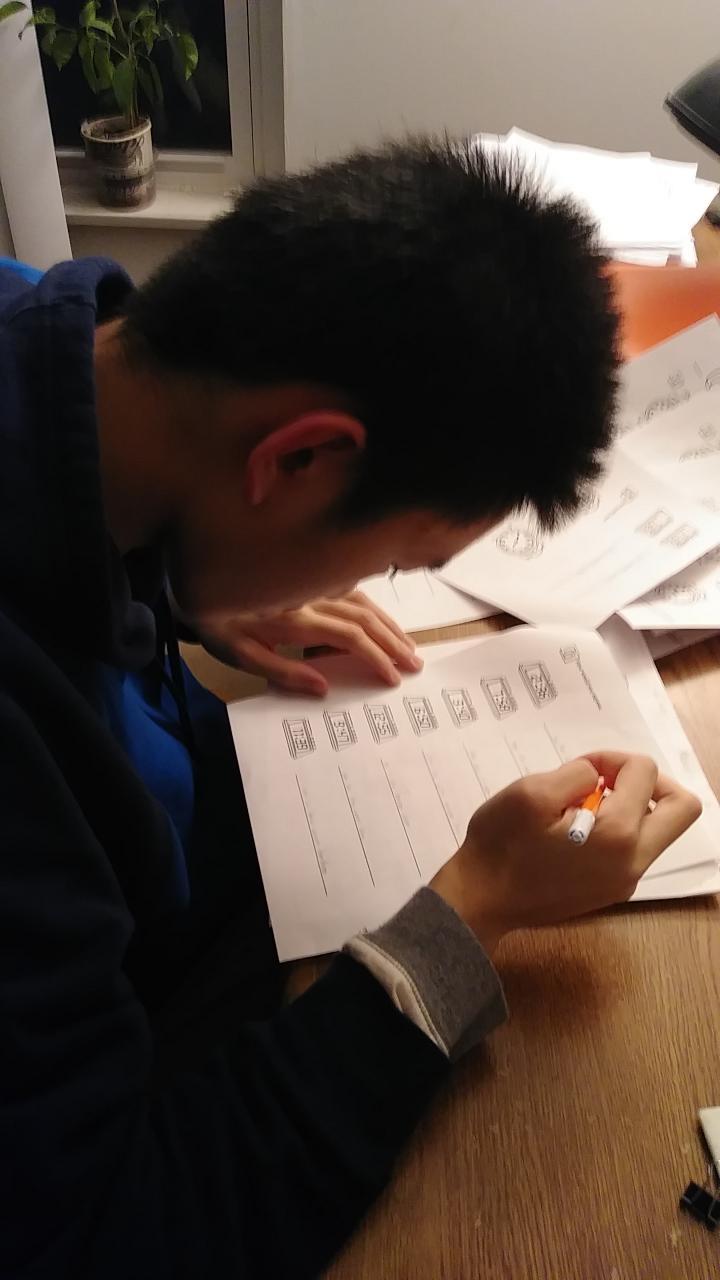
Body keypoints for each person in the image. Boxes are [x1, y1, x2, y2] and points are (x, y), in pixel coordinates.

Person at [0, 137, 700, 1280]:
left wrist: (181, 580)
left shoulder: (50, 332)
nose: (369, 586)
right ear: (298, 459)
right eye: (398, 558)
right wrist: (468, 911)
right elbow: (102, 1236)